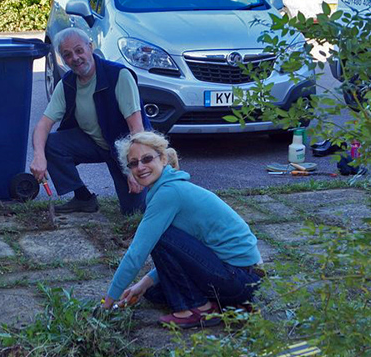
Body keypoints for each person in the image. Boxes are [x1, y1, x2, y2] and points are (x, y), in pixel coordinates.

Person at [102, 131, 263, 329]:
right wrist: (142, 284)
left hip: (240, 278)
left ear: (162, 158)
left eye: (146, 159)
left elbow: (137, 253)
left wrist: (108, 303)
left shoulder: (169, 193)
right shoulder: (167, 186)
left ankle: (200, 310)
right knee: (153, 293)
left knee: (159, 238)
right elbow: (184, 253)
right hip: (243, 278)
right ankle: (231, 305)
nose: (140, 167)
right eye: (133, 163)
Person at [30, 28, 152, 215]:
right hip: (95, 142)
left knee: (134, 212)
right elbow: (43, 125)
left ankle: (156, 188)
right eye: (67, 55)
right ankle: (83, 198)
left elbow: (136, 129)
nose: (75, 58)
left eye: (79, 50)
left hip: (126, 148)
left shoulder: (119, 76)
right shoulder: (67, 84)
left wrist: (135, 169)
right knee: (50, 143)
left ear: (90, 47)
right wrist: (39, 156)